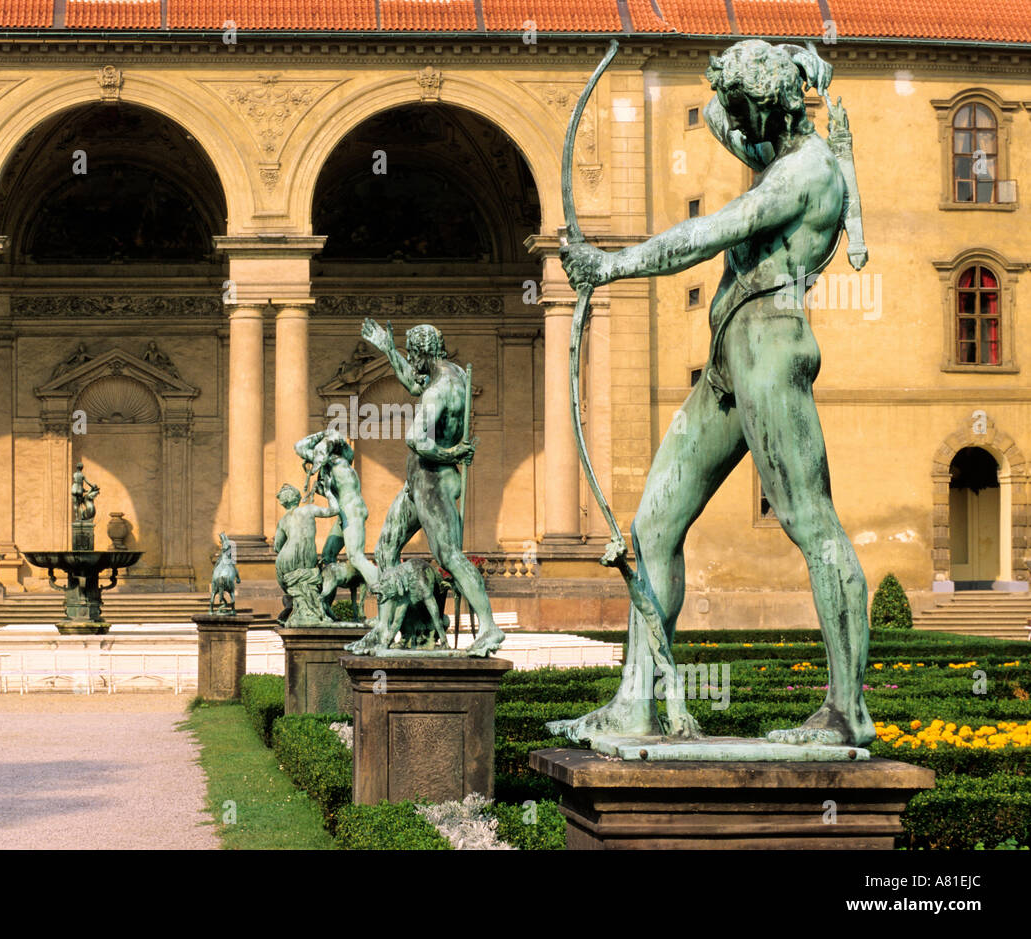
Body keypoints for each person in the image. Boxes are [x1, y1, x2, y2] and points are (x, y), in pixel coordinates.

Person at [557, 40, 871, 746]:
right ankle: (635, 703)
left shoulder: (806, 173)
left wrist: (611, 265)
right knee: (655, 524)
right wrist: (731, 77)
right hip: (729, 359)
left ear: (777, 104)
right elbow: (736, 128)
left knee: (810, 522)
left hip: (771, 350)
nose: (736, 127)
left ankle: (847, 710)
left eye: (743, 110)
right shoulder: (777, 146)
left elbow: (707, 233)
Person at [348, 320, 504, 657]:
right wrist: (388, 349)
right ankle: (388, 628)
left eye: (409, 352)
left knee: (449, 555)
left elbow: (416, 439)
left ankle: (490, 628)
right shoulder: (451, 374)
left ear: (420, 353)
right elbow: (412, 383)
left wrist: (449, 453)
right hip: (417, 484)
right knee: (386, 548)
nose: (409, 360)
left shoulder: (439, 390)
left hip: (433, 482)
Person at [294, 429, 378, 593]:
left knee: (355, 556)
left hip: (352, 512)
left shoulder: (334, 463)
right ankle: (325, 607)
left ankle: (383, 590)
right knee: (327, 556)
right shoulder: (343, 461)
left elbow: (299, 447)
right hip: (345, 513)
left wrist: (323, 434)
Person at [273, 484, 338, 625]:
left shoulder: (282, 521)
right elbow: (334, 510)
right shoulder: (308, 509)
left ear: (283, 503)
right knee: (312, 583)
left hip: (286, 558)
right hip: (307, 555)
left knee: (295, 586)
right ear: (297, 497)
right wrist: (328, 491)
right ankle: (309, 612)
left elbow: (277, 546)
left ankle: (294, 607)